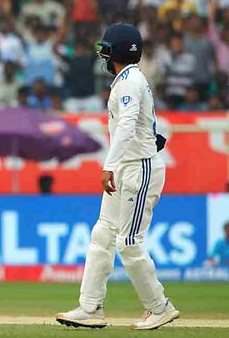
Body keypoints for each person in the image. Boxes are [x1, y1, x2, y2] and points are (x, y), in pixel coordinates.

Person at [55, 23, 179, 330]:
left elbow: (125, 126)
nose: (103, 55)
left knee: (128, 242)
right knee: (103, 234)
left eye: (107, 49)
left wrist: (108, 165)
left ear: (119, 51)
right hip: (129, 165)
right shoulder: (129, 80)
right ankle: (90, 307)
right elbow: (138, 123)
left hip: (137, 169)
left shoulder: (129, 82)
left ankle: (159, 307)